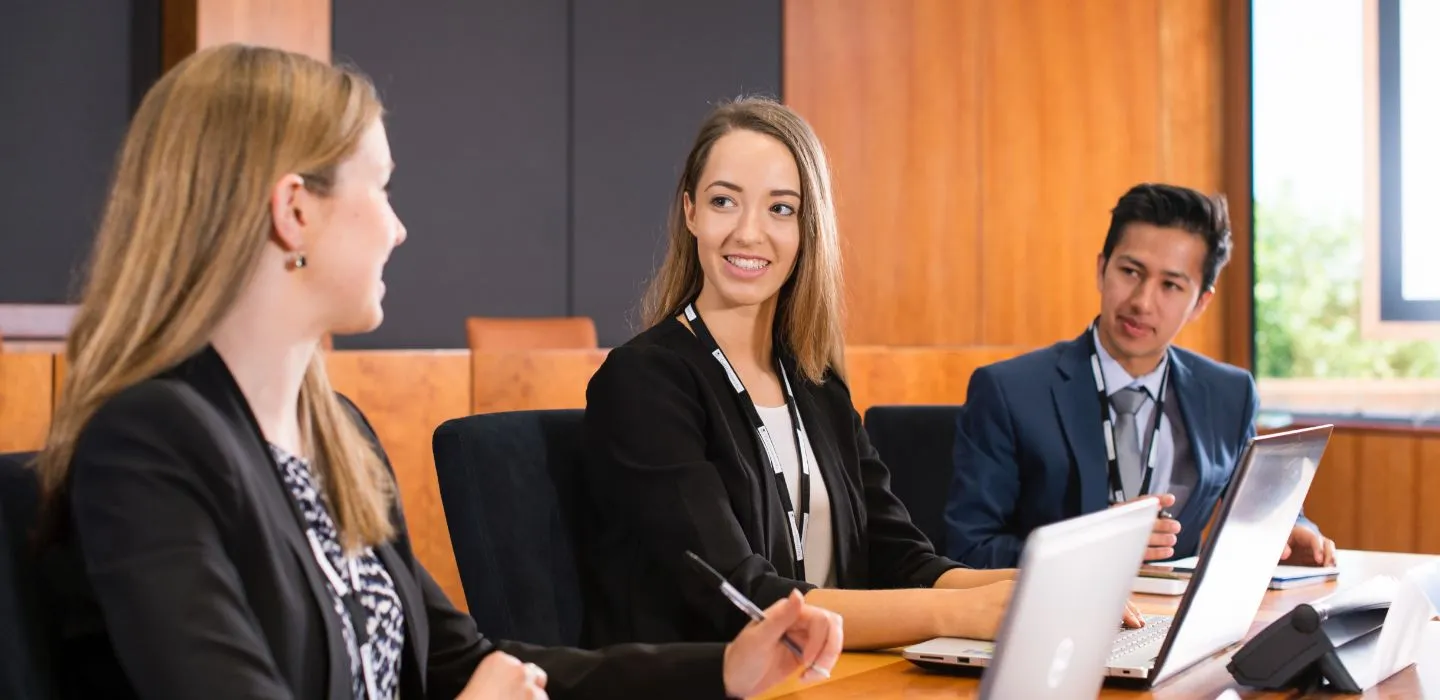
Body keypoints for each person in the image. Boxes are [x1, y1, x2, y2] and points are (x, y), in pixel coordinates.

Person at [34, 45, 841, 700]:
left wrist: (723, 670)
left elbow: (460, 665)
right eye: (380, 189)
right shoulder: (147, 447)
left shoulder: (336, 434)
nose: (398, 227)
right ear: (294, 212)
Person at [580, 97, 1145, 652]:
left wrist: (1033, 588)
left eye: (781, 209)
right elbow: (740, 600)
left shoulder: (815, 384)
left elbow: (900, 557)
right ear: (690, 213)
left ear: (808, 229)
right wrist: (957, 612)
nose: (749, 233)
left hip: (837, 679)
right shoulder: (644, 381)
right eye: (725, 201)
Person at [944, 183, 1335, 570]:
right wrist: (1090, 548)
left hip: (1173, 619)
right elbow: (967, 549)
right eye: (1130, 272)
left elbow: (1262, 508)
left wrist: (1293, 531)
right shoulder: (1010, 391)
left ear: (1200, 302)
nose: (1142, 302)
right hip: (1056, 619)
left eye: (1170, 285)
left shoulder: (1228, 394)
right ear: (1102, 269)